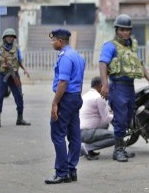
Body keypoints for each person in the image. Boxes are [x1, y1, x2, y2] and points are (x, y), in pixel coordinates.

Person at [99, 14, 149, 162]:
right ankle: (117, 150)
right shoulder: (110, 46)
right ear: (117, 30)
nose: (125, 33)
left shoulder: (133, 46)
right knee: (120, 119)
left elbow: (140, 63)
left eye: (127, 30)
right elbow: (102, 64)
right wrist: (105, 84)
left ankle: (122, 148)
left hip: (129, 87)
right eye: (122, 30)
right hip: (117, 87)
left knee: (128, 118)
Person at [45, 29, 85, 184]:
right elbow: (80, 81)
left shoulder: (65, 57)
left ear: (60, 41)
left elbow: (63, 82)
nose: (52, 42)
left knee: (58, 134)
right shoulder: (78, 56)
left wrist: (55, 103)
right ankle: (71, 170)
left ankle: (62, 172)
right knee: (74, 135)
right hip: (75, 98)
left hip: (66, 98)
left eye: (53, 40)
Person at [0, 28, 31, 128]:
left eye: (12, 37)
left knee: (19, 96)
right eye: (8, 36)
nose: (10, 38)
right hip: (2, 75)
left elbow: (19, 61)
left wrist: (25, 69)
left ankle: (20, 119)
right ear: (4, 37)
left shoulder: (16, 48)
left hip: (14, 75)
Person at [80, 76, 115, 161]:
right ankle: (87, 148)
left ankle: (89, 150)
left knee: (105, 124)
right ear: (100, 86)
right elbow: (106, 118)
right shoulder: (98, 97)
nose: (107, 89)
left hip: (80, 132)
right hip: (87, 132)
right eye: (105, 86)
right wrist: (119, 117)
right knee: (116, 137)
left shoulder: (85, 95)